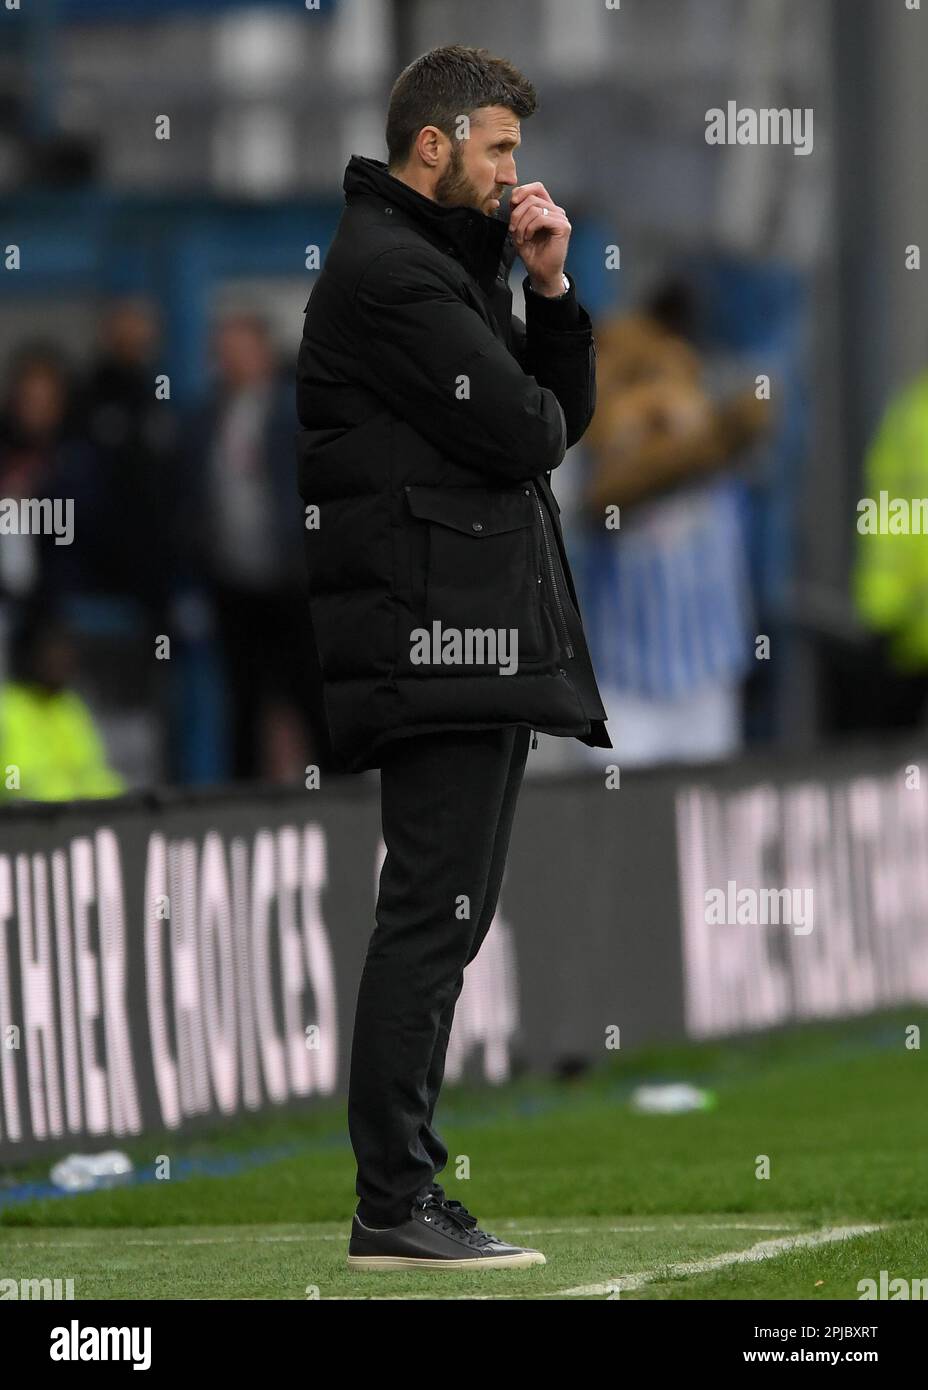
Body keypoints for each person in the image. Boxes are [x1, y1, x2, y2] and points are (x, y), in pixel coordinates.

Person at [295, 45, 610, 1270]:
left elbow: (550, 417)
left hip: (464, 633)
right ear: (434, 146)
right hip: (434, 636)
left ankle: (401, 1194)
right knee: (430, 916)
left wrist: (549, 287)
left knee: (447, 919)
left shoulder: (436, 265)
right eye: (499, 149)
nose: (512, 173)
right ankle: (393, 1198)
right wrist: (518, 319)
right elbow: (530, 428)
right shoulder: (390, 276)